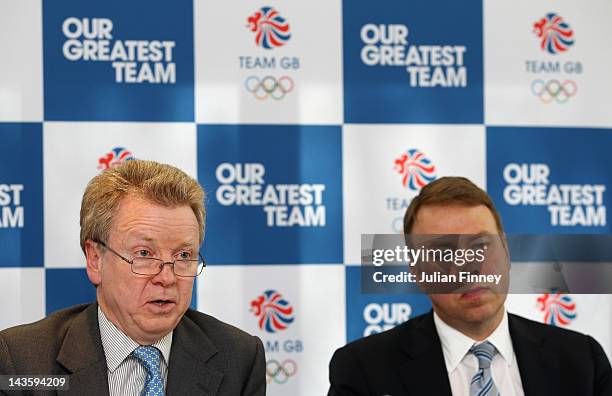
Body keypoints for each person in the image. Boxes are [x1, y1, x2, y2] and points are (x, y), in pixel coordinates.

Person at [0, 160, 265, 396]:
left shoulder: (239, 358)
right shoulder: (22, 360)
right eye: (144, 253)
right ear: (95, 259)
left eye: (184, 255)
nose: (167, 277)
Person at [328, 176, 612, 395]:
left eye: (481, 245)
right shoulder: (363, 370)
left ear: (506, 253)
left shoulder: (582, 361)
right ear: (416, 272)